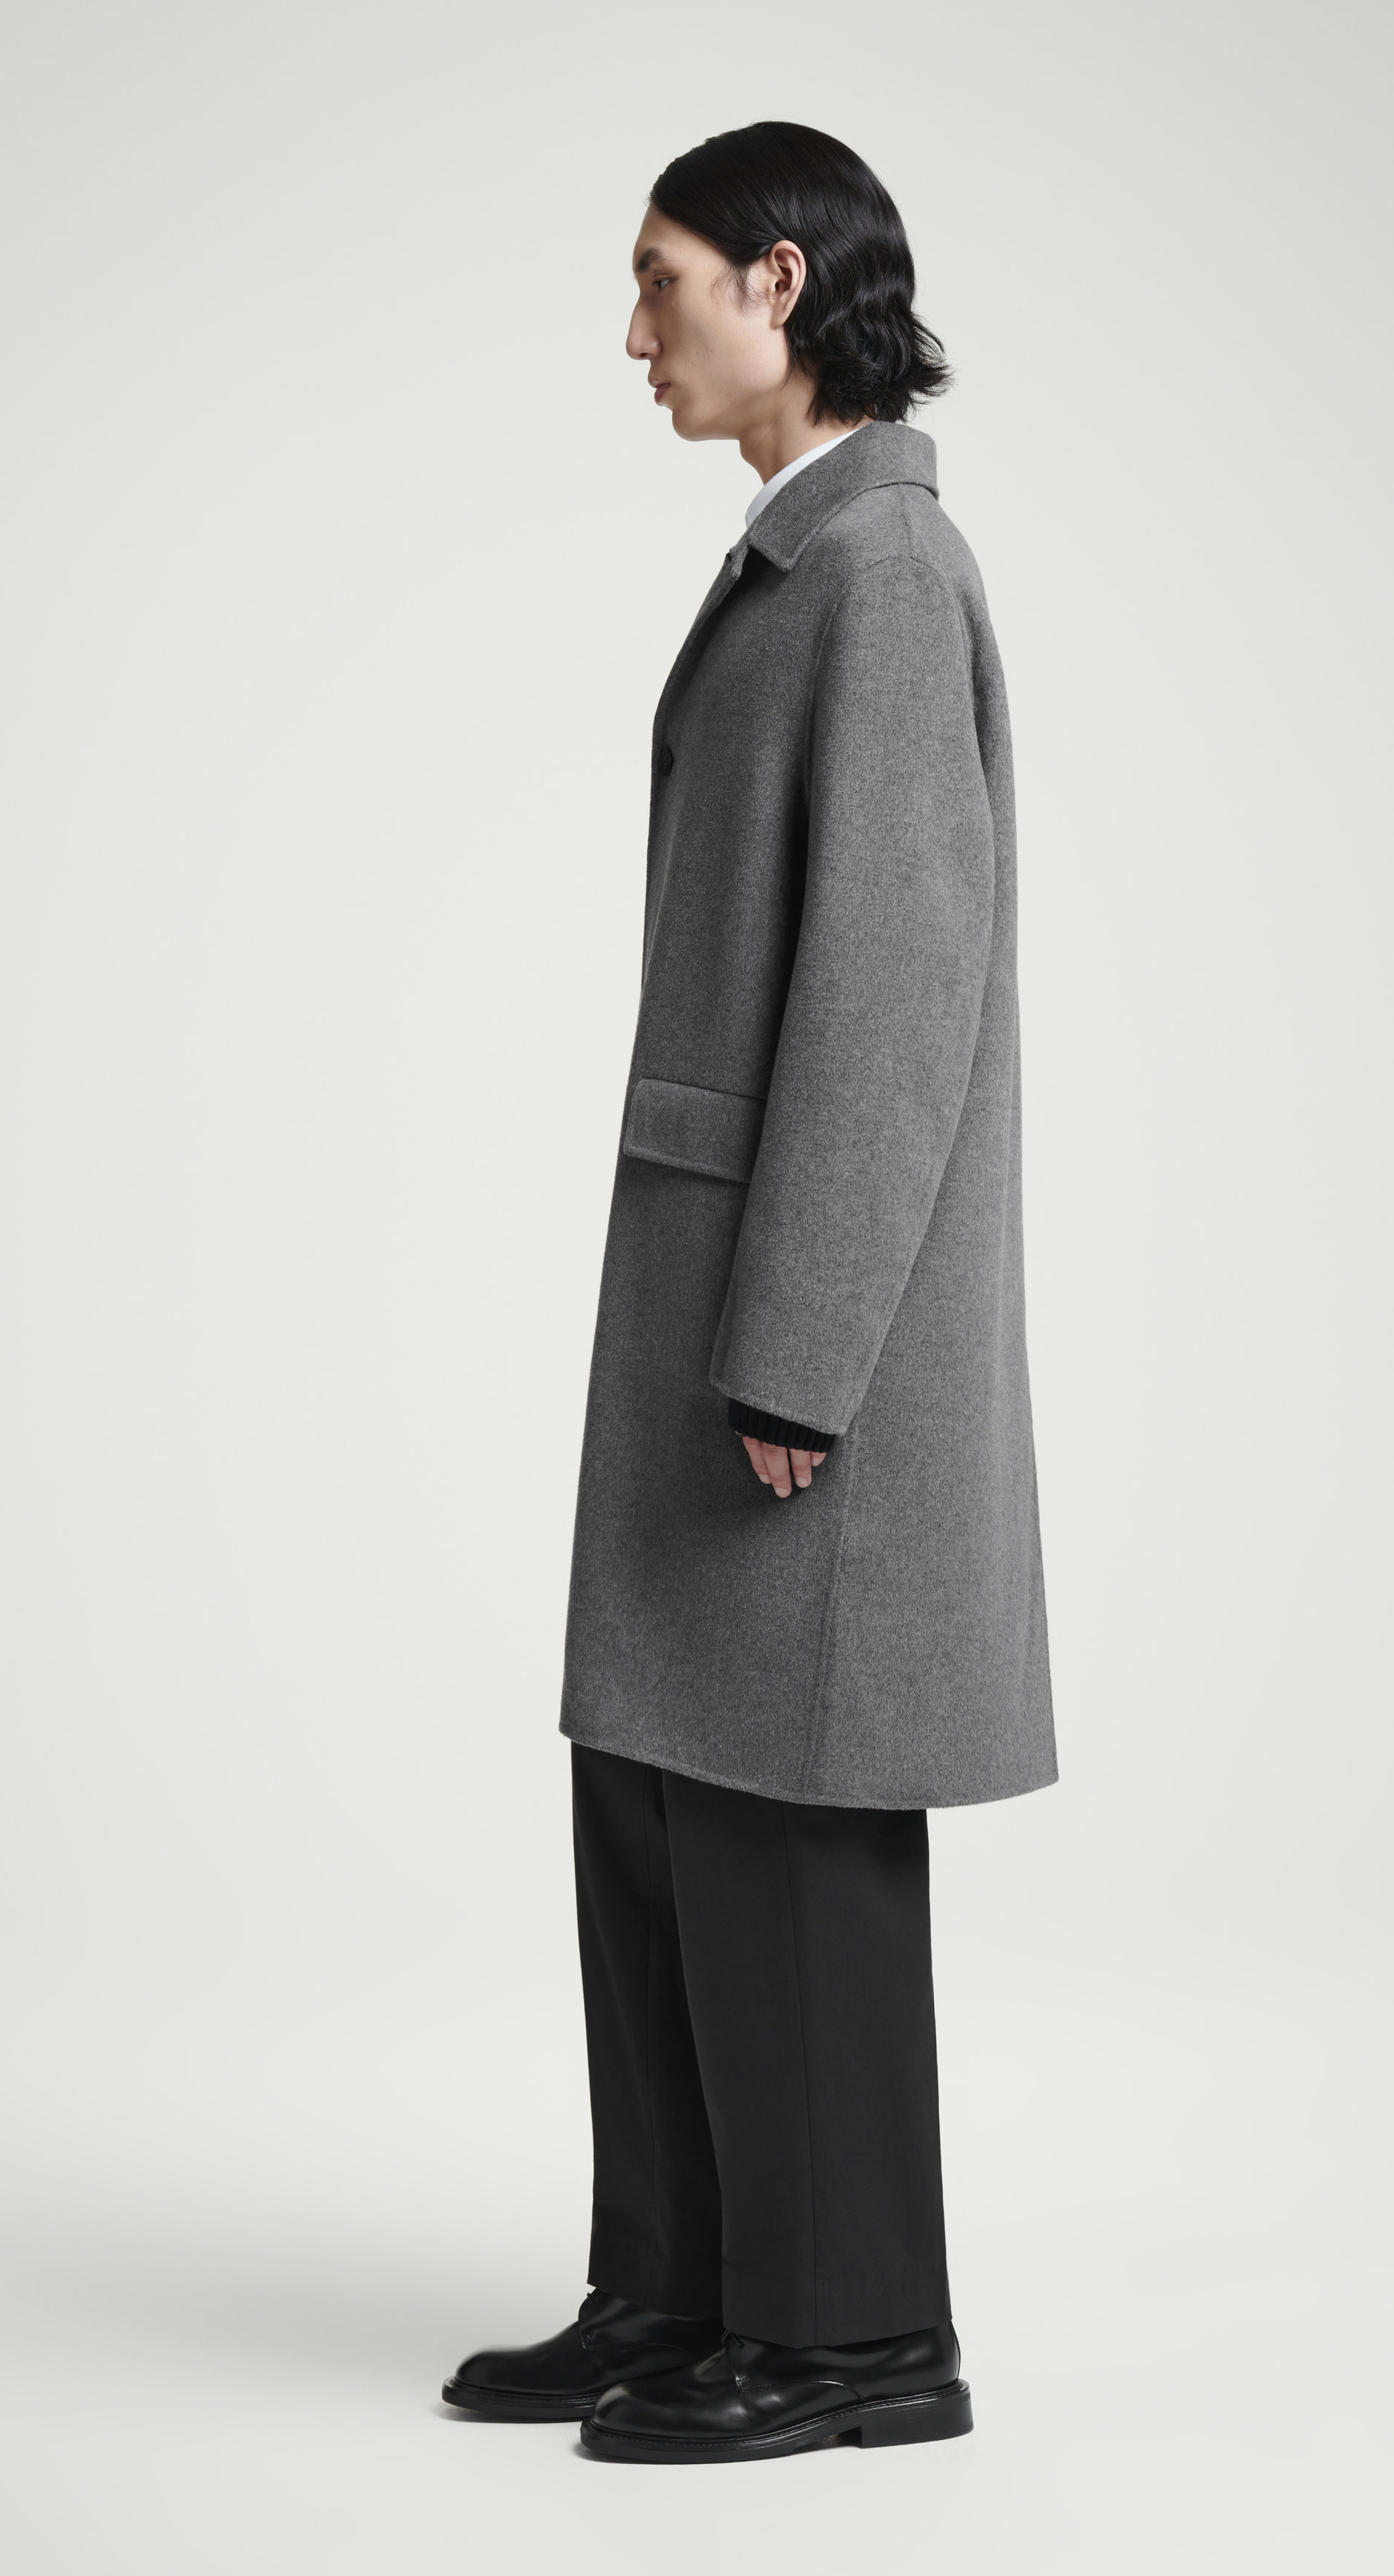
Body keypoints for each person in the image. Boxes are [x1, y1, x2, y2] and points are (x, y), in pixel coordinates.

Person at [442, 120, 1055, 2466]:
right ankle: (684, 2282)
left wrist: (802, 1350)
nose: (634, 332)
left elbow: (895, 1002)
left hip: (793, 1338)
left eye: (661, 279)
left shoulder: (882, 570)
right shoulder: (808, 557)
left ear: (779, 285)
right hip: (709, 1305)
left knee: (788, 1813)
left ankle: (857, 2331)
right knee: (663, 1788)